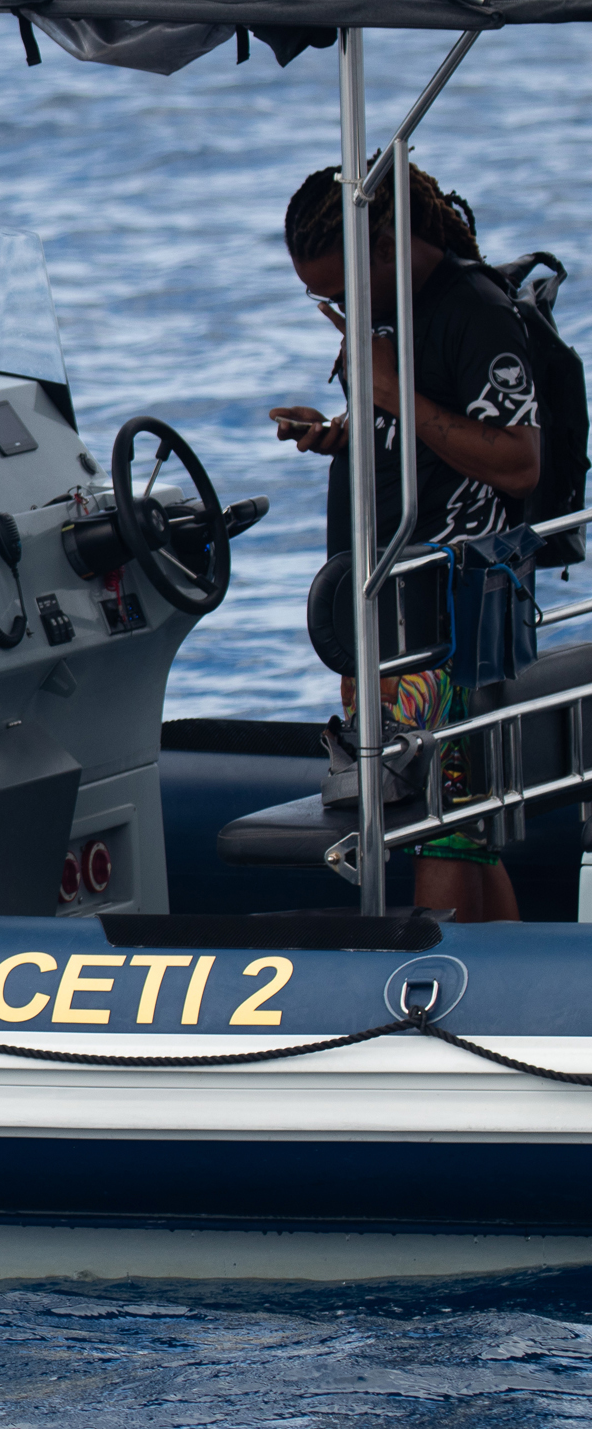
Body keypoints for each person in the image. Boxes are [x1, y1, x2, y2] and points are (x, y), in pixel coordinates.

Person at [267, 161, 539, 923]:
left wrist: (393, 393)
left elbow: (519, 460)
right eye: (322, 296)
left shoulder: (473, 312)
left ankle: (429, 1002)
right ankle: (508, 989)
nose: (335, 306)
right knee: (462, 830)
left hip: (453, 614)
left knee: (438, 827)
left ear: (381, 245)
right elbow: (416, 440)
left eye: (339, 288)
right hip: (389, 611)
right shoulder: (383, 317)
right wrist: (338, 435)